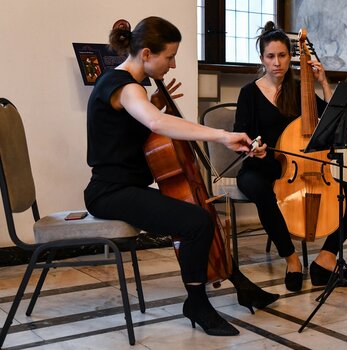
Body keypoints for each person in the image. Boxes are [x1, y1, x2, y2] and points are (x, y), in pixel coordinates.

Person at [84, 16, 279, 337]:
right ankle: (197, 303)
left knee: (201, 215)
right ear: (146, 54)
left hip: (125, 188)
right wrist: (220, 135)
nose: (173, 65)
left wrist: (156, 103)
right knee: (196, 222)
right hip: (109, 193)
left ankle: (235, 284)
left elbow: (139, 127)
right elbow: (157, 125)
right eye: (169, 56)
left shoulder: (130, 89)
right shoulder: (123, 85)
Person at [233, 21, 347, 292]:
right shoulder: (249, 93)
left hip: (300, 167)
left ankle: (326, 258)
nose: (277, 63)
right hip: (261, 165)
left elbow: (332, 120)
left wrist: (322, 82)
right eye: (270, 57)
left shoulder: (299, 90)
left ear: (290, 56)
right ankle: (291, 259)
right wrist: (253, 146)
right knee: (260, 189)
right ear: (262, 59)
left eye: (282, 56)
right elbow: (240, 136)